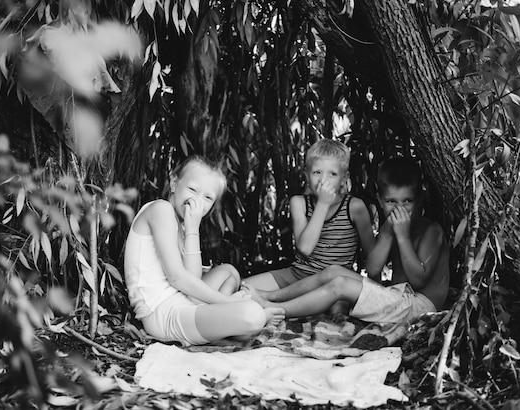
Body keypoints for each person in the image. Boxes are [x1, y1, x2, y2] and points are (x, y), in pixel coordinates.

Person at [243, 157, 450, 323]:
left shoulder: (431, 230)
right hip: (396, 297)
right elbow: (374, 269)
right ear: (380, 201)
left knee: (340, 284)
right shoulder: (391, 227)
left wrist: (403, 237)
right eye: (391, 202)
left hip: (420, 307)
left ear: (420, 200)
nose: (399, 209)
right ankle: (271, 296)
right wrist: (387, 232)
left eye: (408, 201)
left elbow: (418, 281)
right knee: (333, 271)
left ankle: (276, 310)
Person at [124, 156, 285, 346]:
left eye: (208, 197)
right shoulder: (161, 209)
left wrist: (192, 229)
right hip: (163, 313)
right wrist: (227, 303)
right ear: (174, 183)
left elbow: (193, 277)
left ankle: (226, 324)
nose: (197, 201)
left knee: (229, 272)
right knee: (254, 315)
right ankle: (233, 323)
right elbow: (178, 279)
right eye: (193, 189)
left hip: (182, 298)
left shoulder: (183, 224)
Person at [243, 139, 376, 291]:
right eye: (317, 172)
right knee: (244, 288)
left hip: (334, 282)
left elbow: (373, 258)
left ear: (344, 178)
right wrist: (323, 204)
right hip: (299, 275)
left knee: (335, 307)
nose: (323, 180)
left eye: (332, 174)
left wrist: (375, 295)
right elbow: (305, 248)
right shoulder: (299, 203)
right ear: (307, 175)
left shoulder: (354, 207)